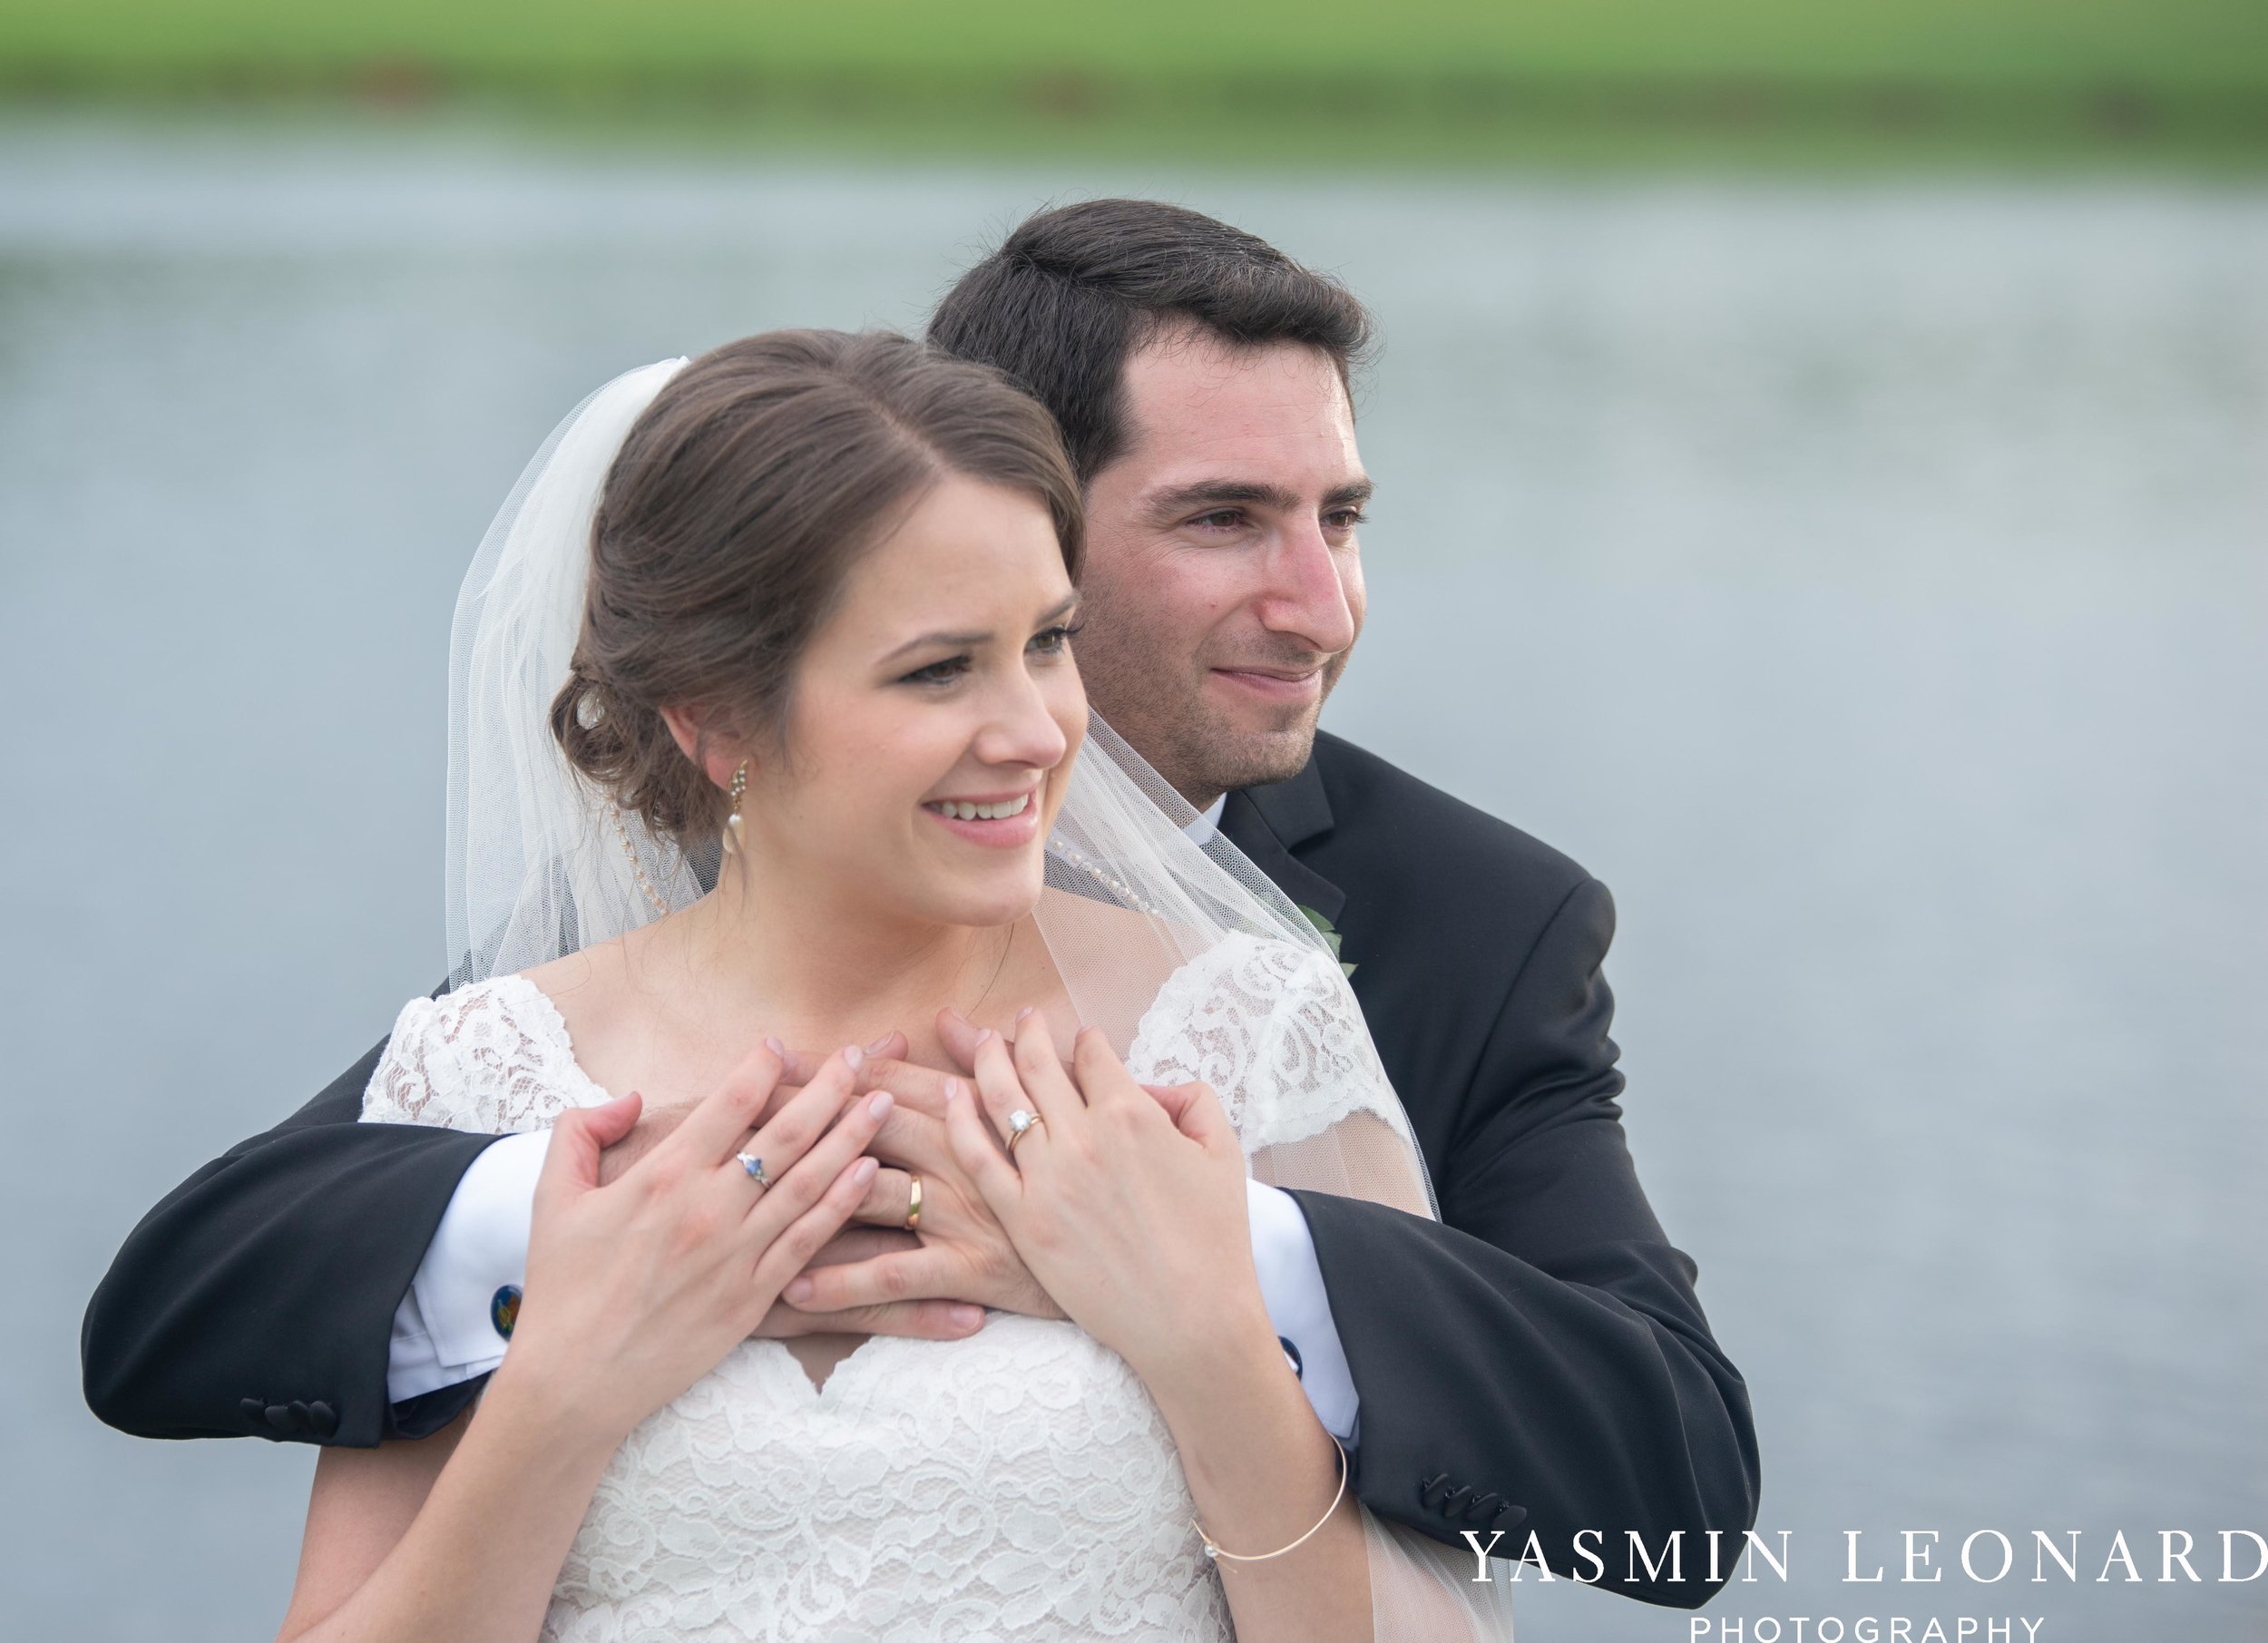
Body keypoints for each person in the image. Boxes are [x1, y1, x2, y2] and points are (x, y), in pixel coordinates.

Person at [83, 200, 1756, 1609]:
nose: (1321, 603)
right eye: (1224, 520)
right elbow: (202, 1295)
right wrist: (625, 1218)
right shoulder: (687, 868)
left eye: (1342, 519)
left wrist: (1203, 1256)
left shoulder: (1459, 924)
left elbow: (1676, 1481)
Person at [271, 328, 1510, 1639]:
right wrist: (565, 1392)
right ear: (713, 714)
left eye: (1048, 642)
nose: (1038, 732)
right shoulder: (481, 1077)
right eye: (938, 669)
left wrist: (1210, 1348)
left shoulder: (1251, 1035)